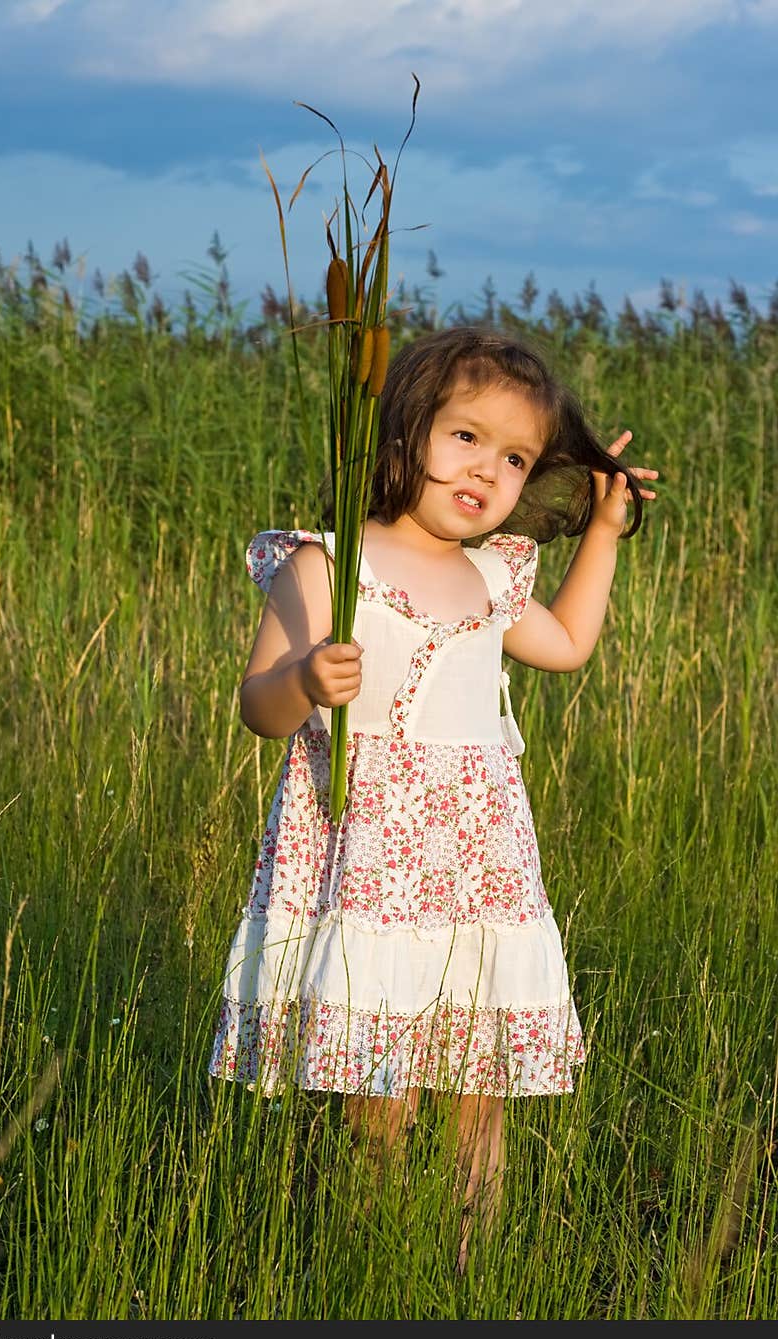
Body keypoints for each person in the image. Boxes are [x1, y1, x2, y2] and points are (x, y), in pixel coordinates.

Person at [207, 327, 658, 1274]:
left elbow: (568, 644)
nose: (488, 470)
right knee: (384, 1084)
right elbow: (258, 707)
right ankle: (372, 1264)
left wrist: (606, 533)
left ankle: (468, 1272)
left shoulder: (494, 572)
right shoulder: (329, 564)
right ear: (406, 433)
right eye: (467, 438)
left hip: (479, 861)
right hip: (376, 863)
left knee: (479, 1082)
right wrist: (305, 679)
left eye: (515, 458)